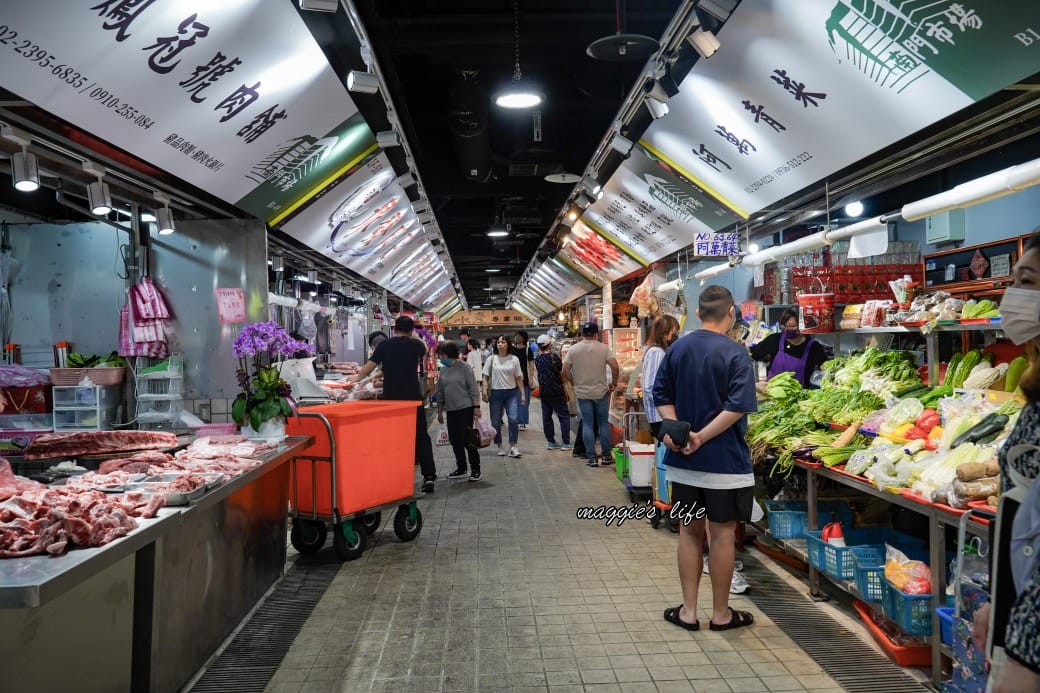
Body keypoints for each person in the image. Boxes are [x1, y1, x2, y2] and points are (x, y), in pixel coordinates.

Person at [653, 285, 757, 631]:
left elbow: (660, 394)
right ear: (731, 313)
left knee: (688, 533)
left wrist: (677, 431)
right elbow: (737, 406)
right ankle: (721, 614)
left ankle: (688, 612)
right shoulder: (736, 353)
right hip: (725, 464)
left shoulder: (677, 348)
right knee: (722, 535)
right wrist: (703, 437)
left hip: (684, 465)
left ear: (698, 314)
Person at [972, 233, 1040, 692]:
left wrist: (1021, 637)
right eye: (1013, 281)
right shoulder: (1034, 389)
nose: (1013, 295)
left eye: (1028, 281)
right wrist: (999, 604)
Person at [353, 316, 437, 493]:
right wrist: (414, 334)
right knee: (421, 436)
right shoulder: (416, 346)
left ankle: (395, 476)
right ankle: (429, 476)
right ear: (411, 330)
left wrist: (357, 378)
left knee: (395, 437)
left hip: (392, 399)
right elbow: (424, 346)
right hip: (413, 397)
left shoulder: (385, 345)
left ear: (394, 329)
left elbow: (371, 364)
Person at [563, 322, 620, 468]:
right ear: (596, 334)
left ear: (582, 334)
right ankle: (607, 456)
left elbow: (564, 371)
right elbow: (615, 366)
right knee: (603, 423)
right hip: (601, 391)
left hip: (583, 392)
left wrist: (574, 382)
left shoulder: (574, 349)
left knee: (588, 423)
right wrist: (614, 383)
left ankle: (592, 458)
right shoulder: (603, 348)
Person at [435, 341, 483, 482]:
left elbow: (473, 389)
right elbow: (440, 392)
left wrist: (476, 408)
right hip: (451, 410)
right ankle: (461, 468)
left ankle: (476, 470)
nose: (440, 358)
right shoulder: (443, 370)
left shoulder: (464, 368)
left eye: (441, 355)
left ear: (449, 354)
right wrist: (439, 411)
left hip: (465, 409)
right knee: (455, 440)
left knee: (467, 440)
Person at [749, 307, 827, 388]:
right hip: (771, 395)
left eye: (791, 326)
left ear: (802, 325)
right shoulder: (775, 339)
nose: (787, 329)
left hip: (799, 397)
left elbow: (825, 365)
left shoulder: (813, 346)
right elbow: (754, 353)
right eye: (783, 326)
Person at [483, 335, 525, 458]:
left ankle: (513, 446)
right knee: (495, 421)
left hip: (511, 393)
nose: (500, 344)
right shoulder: (491, 359)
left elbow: (519, 378)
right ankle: (499, 446)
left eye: (503, 342)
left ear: (508, 344)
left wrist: (523, 394)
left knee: (513, 419)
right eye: (498, 342)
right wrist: (484, 391)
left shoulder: (514, 359)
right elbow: (485, 376)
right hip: (495, 393)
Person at [641, 315, 680, 440]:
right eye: (673, 333)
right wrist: (666, 406)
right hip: (660, 416)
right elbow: (650, 386)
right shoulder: (657, 352)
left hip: (660, 414)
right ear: (663, 333)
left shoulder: (657, 350)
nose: (675, 336)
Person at [533, 334, 571, 450]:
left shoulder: (537, 359)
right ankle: (566, 443)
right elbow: (561, 372)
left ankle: (551, 442)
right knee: (563, 416)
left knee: (547, 417)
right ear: (550, 344)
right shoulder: (554, 357)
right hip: (557, 390)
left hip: (544, 392)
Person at [512, 330, 532, 430]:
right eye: (516, 335)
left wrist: (531, 378)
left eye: (519, 336)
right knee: (514, 401)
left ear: (524, 338)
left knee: (524, 401)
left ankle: (522, 422)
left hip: (525, 379)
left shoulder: (528, 350)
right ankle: (515, 420)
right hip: (513, 379)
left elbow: (531, 365)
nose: (516, 338)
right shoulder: (512, 350)